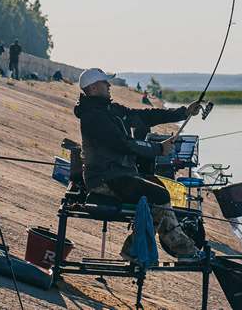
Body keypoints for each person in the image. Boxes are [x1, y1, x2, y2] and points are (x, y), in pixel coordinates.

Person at [73, 67, 205, 260]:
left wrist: (183, 112)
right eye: (105, 83)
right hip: (104, 179)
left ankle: (133, 249)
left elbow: (144, 116)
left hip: (121, 175)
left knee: (159, 186)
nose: (109, 85)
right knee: (158, 194)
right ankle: (184, 250)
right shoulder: (93, 117)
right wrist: (158, 149)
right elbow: (124, 145)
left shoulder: (110, 109)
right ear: (93, 88)